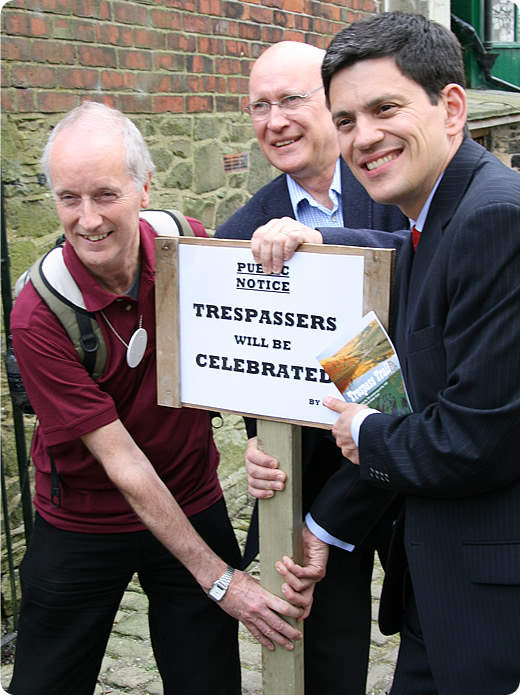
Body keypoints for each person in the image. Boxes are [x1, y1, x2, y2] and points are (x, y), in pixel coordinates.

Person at [8, 101, 309, 695]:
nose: (88, 219)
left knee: (207, 680)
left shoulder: (189, 250)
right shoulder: (38, 313)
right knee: (47, 681)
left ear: (144, 187)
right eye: (70, 198)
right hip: (84, 520)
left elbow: (265, 341)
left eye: (105, 195)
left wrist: (299, 240)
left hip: (190, 494)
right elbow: (119, 460)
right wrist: (221, 580)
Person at [282, 12, 520, 695]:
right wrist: (318, 246)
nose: (364, 138)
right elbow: (408, 261)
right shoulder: (435, 216)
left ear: (451, 107)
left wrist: (360, 429)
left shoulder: (495, 217)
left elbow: (472, 439)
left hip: (493, 609)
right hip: (436, 592)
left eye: (385, 108)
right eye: (347, 120)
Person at [215, 41, 407, 695]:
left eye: (291, 99)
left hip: (421, 478)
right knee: (329, 671)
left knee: (446, 653)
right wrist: (260, 447)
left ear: (332, 99)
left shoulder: (395, 186)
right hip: (324, 489)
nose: (275, 121)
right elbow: (249, 372)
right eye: (259, 106)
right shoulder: (239, 233)